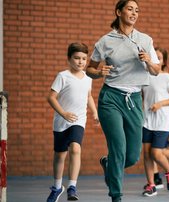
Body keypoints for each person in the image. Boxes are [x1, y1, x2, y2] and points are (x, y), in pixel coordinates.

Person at [85, 0, 160, 201]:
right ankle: (116, 196)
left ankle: (109, 165)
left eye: (137, 10)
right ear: (119, 12)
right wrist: (99, 72)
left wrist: (149, 61)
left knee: (133, 155)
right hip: (110, 98)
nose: (134, 13)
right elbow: (89, 70)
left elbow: (156, 70)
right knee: (118, 147)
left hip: (134, 100)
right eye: (130, 9)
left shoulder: (145, 39)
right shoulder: (105, 41)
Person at [46, 42, 99, 202]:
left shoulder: (88, 78)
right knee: (60, 156)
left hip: (78, 120)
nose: (80, 62)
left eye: (83, 58)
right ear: (69, 59)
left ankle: (72, 187)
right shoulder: (63, 76)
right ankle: (56, 187)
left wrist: (95, 111)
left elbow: (88, 96)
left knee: (75, 148)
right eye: (77, 58)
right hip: (62, 121)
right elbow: (51, 97)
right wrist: (63, 113)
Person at [141, 47, 169, 196]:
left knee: (156, 153)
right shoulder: (145, 77)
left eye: (160, 57)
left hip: (163, 122)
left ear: (164, 61)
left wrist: (160, 104)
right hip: (146, 121)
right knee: (146, 154)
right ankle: (151, 185)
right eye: (154, 57)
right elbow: (144, 98)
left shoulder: (168, 78)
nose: (157, 59)